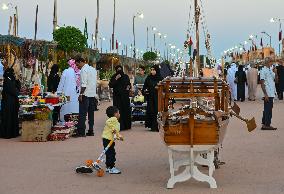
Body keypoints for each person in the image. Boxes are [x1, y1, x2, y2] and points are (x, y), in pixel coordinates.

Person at [75, 56, 97, 137]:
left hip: (85, 94)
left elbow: (84, 84)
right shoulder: (93, 69)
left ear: (81, 62)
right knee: (91, 114)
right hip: (92, 94)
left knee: (82, 114)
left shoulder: (83, 70)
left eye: (78, 65)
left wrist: (80, 94)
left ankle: (81, 132)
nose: (78, 67)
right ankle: (91, 130)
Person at [109, 65, 131, 131]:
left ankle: (126, 125)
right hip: (117, 97)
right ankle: (118, 126)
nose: (119, 71)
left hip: (125, 97)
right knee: (117, 111)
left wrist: (127, 90)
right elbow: (111, 85)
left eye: (120, 69)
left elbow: (129, 84)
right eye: (118, 70)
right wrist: (116, 79)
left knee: (125, 110)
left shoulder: (126, 76)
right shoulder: (114, 77)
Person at [0, 68, 21, 139]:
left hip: (12, 103)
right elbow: (14, 91)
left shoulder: (11, 80)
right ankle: (8, 133)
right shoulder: (7, 81)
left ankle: (13, 133)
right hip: (8, 103)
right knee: (8, 118)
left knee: (13, 117)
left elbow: (17, 88)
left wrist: (17, 81)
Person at [102, 106, 122, 174]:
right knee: (111, 153)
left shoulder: (114, 120)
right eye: (118, 113)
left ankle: (108, 167)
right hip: (108, 139)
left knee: (109, 153)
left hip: (108, 139)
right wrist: (113, 129)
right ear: (115, 114)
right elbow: (108, 122)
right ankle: (111, 167)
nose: (119, 114)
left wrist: (119, 137)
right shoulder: (113, 119)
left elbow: (116, 132)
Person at [142, 65, 163, 132]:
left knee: (157, 111)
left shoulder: (160, 78)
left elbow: (164, 88)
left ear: (157, 70)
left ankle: (158, 126)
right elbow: (144, 87)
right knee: (151, 111)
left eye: (154, 70)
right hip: (150, 98)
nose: (152, 71)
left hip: (158, 98)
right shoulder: (148, 78)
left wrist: (159, 88)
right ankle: (152, 126)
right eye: (151, 70)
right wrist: (145, 91)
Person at [260, 58, 278, 130]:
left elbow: (276, 81)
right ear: (267, 62)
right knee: (268, 109)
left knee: (267, 109)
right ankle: (267, 125)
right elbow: (262, 83)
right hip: (268, 93)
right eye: (271, 62)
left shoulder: (270, 70)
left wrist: (276, 72)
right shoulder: (263, 70)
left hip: (271, 92)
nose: (272, 64)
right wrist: (265, 94)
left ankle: (264, 124)